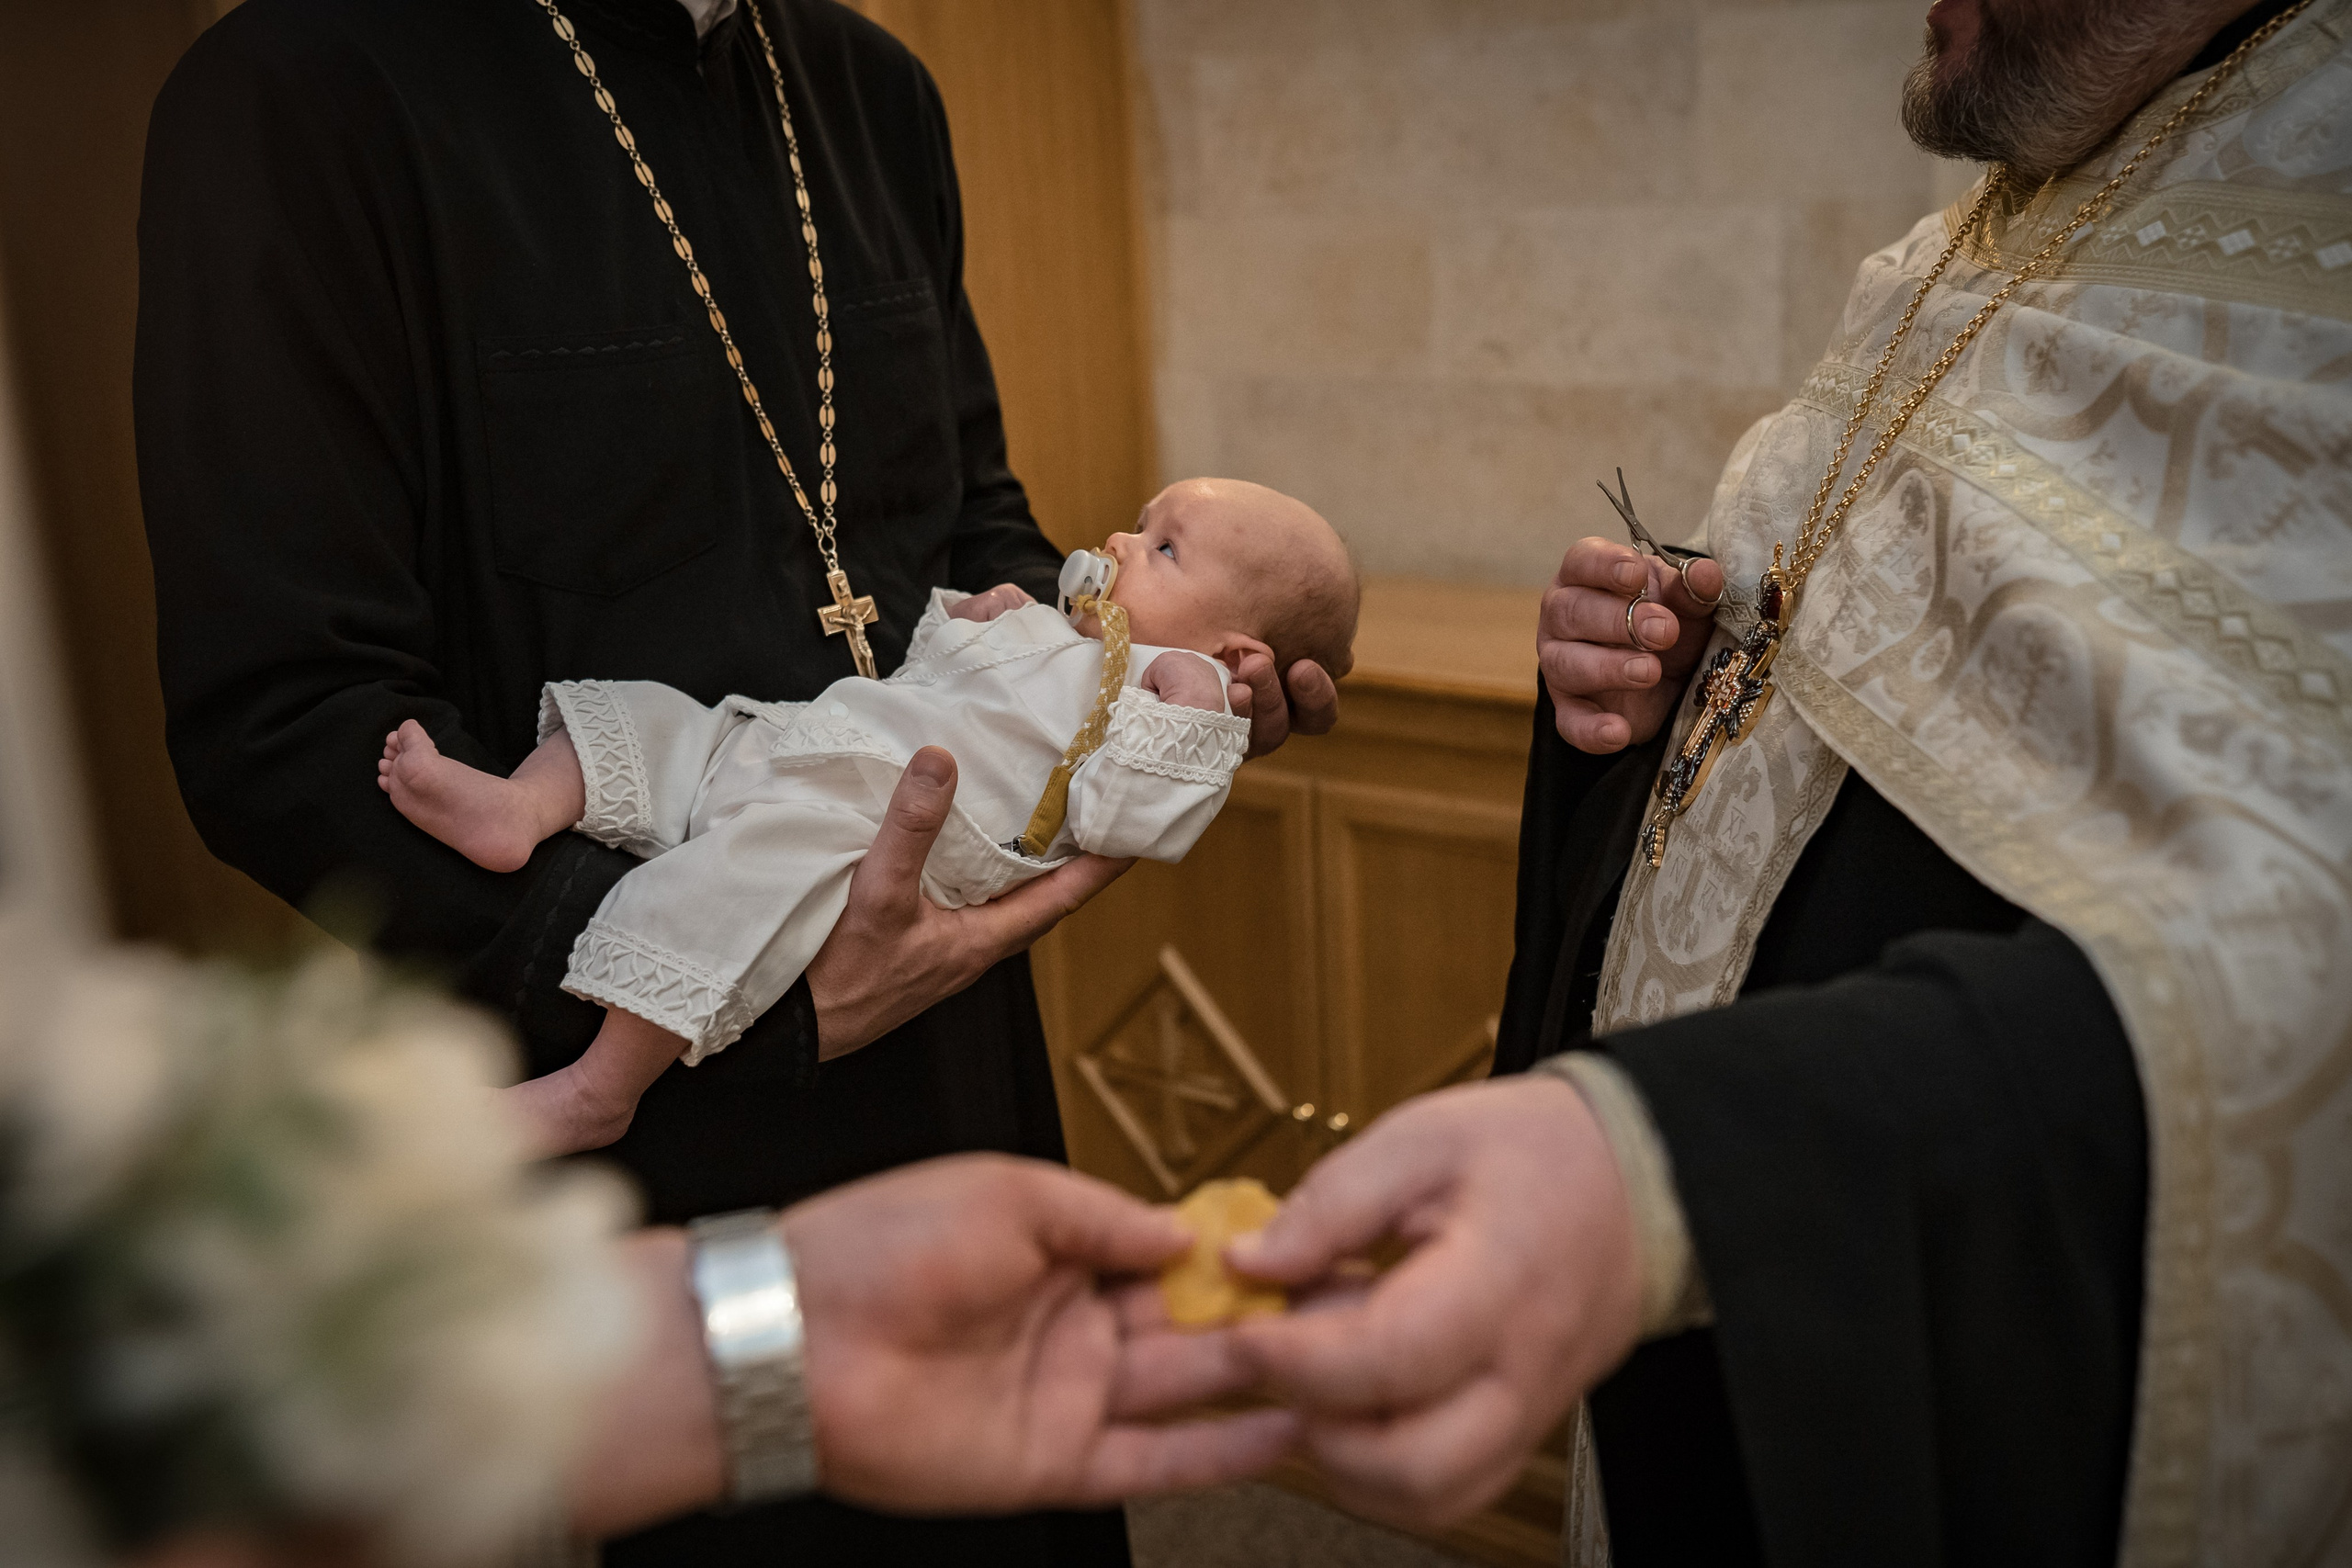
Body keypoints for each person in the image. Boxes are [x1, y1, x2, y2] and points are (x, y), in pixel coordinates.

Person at [131, 1, 1335, 1562]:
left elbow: (967, 536)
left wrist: (1170, 675)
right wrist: (732, 981)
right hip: (621, 1098)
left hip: (952, 1046)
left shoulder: (875, 91)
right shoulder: (298, 88)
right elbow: (278, 716)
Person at [1211, 1, 2352, 1563]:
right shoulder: (1980, 237)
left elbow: (2296, 981)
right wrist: (1655, 679)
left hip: (1934, 1294)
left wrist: (1691, 1166)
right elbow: (1859, 678)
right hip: (1719, 1239)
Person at [375, 480, 1357, 1156]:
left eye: (1164, 549)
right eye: (1139, 526)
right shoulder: (1067, 634)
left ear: (1236, 653)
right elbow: (927, 677)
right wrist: (975, 622)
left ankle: (602, 1087)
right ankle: (518, 805)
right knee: (655, 722)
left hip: (880, 821)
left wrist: (1190, 714)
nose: (1118, 546)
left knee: (729, 884)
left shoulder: (1161, 689)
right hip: (813, 740)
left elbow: (1117, 817)